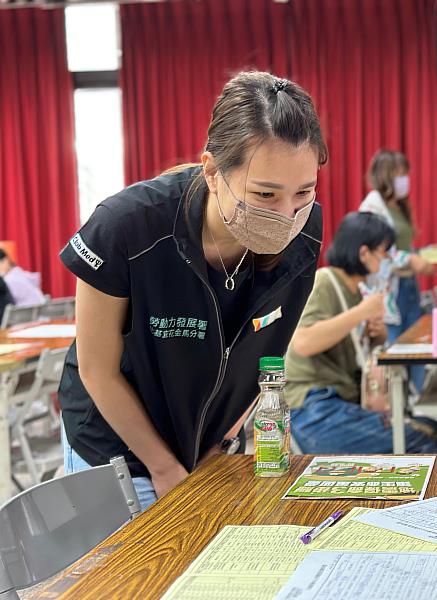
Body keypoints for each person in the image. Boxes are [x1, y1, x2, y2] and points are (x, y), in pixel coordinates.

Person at [58, 72, 327, 509]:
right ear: (213, 172)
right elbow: (96, 370)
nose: (286, 214)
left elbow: (266, 353)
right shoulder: (127, 227)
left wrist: (223, 441)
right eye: (265, 194)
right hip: (117, 445)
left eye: (304, 192)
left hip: (208, 442)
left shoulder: (305, 232)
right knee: (130, 574)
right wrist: (163, 468)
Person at [286, 212, 437, 454]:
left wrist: (376, 336)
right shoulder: (325, 281)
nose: (387, 260)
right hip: (312, 406)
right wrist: (361, 313)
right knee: (422, 439)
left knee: (433, 429)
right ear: (364, 253)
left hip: (338, 401)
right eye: (384, 252)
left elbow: (347, 347)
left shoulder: (353, 290)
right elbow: (303, 343)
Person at [359, 149, 437, 393]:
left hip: (408, 284)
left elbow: (403, 248)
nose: (405, 180)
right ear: (386, 177)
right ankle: (393, 403)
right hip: (389, 289)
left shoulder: (400, 207)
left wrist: (430, 252)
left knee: (416, 345)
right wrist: (412, 260)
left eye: (406, 174)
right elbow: (378, 250)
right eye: (400, 174)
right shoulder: (373, 206)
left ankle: (417, 400)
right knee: (392, 346)